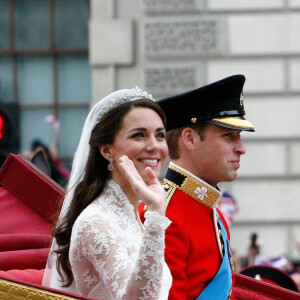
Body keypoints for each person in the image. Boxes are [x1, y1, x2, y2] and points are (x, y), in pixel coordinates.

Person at [42, 87, 172, 299]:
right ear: (106, 150)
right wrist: (156, 214)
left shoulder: (131, 215)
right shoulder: (95, 221)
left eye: (160, 135)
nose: (153, 146)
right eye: (139, 135)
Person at [140, 74, 255, 299]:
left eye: (239, 137)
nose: (241, 148)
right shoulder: (163, 216)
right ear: (190, 139)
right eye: (228, 136)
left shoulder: (214, 213)